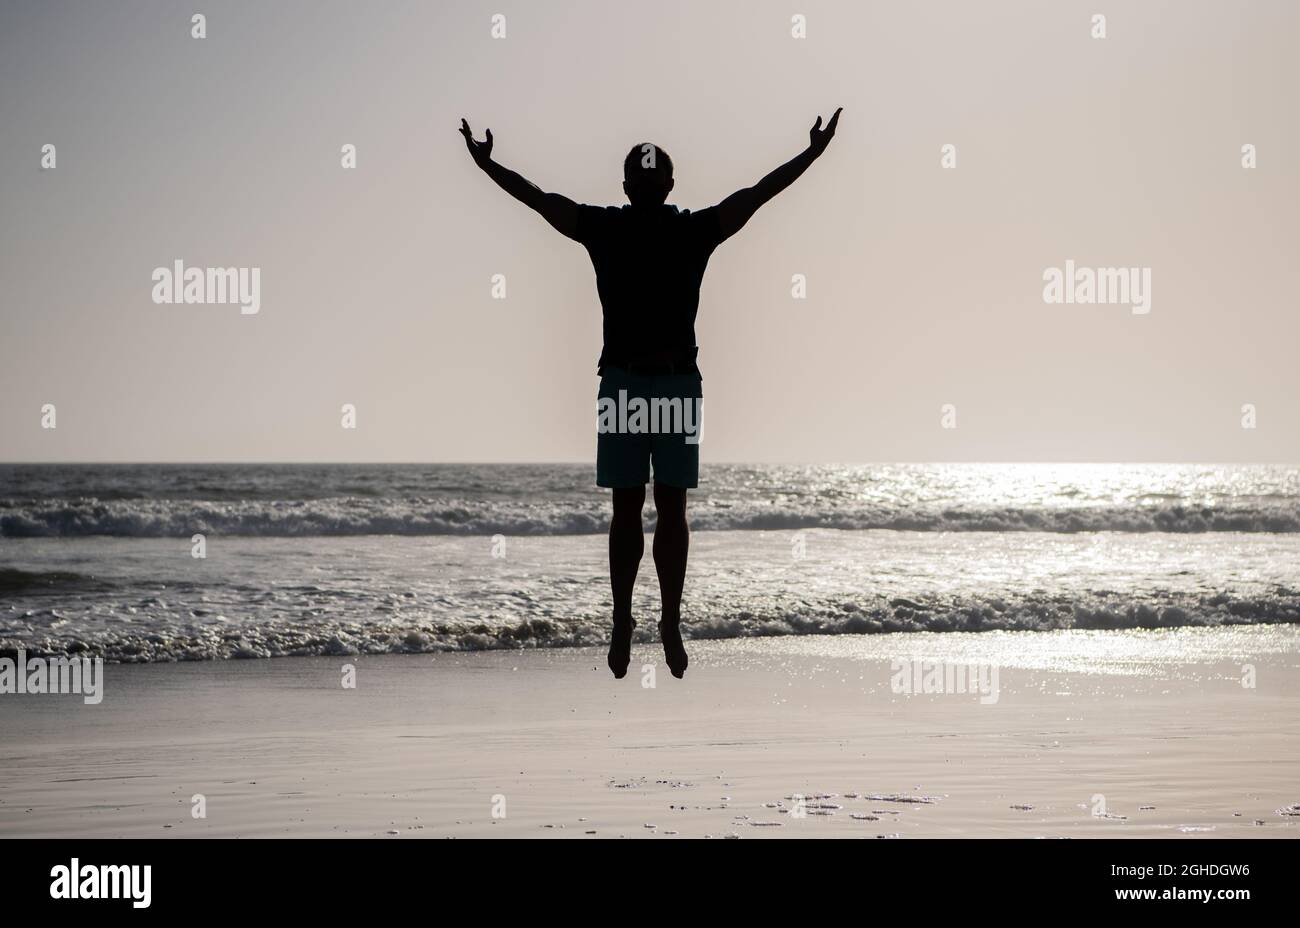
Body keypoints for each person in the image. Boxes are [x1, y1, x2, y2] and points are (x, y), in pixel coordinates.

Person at [459, 108, 842, 679]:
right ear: (666, 185)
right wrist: (811, 153)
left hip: (630, 384)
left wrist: (488, 164)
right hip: (665, 384)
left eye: (642, 181)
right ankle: (654, 620)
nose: (643, 187)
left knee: (632, 510)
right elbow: (758, 193)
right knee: (665, 509)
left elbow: (540, 200)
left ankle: (641, 621)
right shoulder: (689, 229)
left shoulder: (609, 227)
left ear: (634, 186)